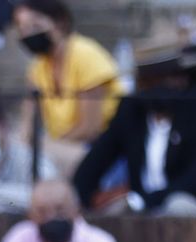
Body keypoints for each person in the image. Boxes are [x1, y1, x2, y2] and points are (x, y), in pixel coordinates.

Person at [71, 46, 196, 216]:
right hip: (140, 208)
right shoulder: (131, 112)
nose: (165, 85)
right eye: (154, 80)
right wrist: (86, 198)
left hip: (190, 208)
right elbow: (93, 164)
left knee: (176, 207)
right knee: (114, 211)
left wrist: (144, 200)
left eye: (172, 77)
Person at [13, 0, 121, 175]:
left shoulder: (85, 54)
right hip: (64, 146)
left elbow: (90, 128)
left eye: (35, 24)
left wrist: (47, 145)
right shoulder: (38, 67)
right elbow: (28, 119)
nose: (28, 33)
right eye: (22, 28)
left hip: (103, 146)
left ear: (59, 21)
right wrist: (23, 143)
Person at [0, 177, 117, 242]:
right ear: (31, 214)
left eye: (60, 210)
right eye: (42, 212)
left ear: (76, 209)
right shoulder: (20, 236)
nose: (51, 217)